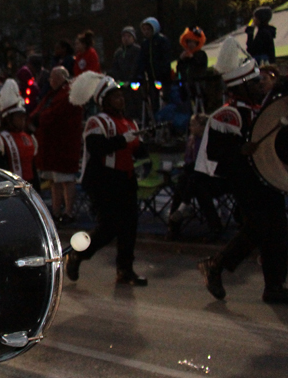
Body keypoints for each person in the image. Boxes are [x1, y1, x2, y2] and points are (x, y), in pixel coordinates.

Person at [197, 38, 288, 304]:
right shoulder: (226, 116)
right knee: (260, 227)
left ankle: (273, 286)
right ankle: (216, 265)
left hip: (268, 178)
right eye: (256, 83)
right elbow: (216, 153)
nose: (261, 87)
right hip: (245, 182)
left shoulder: (265, 110)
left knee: (278, 230)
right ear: (242, 85)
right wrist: (240, 150)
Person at [66, 72, 149, 286]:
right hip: (104, 181)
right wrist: (122, 140)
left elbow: (136, 150)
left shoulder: (129, 122)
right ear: (104, 101)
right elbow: (96, 148)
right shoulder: (97, 121)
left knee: (129, 226)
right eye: (115, 97)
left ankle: (125, 270)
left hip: (126, 179)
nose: (120, 100)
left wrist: (144, 148)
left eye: (121, 96)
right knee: (109, 227)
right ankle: (78, 254)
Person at [30, 67, 83, 224]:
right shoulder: (55, 93)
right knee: (55, 180)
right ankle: (56, 211)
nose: (50, 80)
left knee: (66, 179)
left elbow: (54, 114)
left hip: (63, 144)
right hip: (54, 144)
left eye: (53, 77)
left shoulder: (68, 94)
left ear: (61, 78)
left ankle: (68, 212)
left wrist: (38, 118)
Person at [166, 113, 225, 242]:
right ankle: (180, 218)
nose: (190, 127)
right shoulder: (192, 140)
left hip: (214, 178)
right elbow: (189, 160)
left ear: (203, 126)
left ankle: (179, 214)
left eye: (193, 125)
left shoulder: (211, 140)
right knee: (188, 182)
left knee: (193, 182)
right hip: (198, 178)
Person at [0, 79, 38, 183]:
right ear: (9, 119)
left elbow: (33, 171)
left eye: (23, 116)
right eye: (19, 117)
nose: (22, 120)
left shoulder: (29, 138)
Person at [137, 17, 172, 113]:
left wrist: (164, 71)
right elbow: (142, 61)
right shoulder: (145, 44)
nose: (146, 32)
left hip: (163, 78)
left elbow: (166, 58)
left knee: (166, 99)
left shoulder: (162, 41)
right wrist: (140, 74)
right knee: (153, 101)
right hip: (152, 78)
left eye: (148, 29)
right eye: (144, 30)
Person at [109, 26, 142, 119]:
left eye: (128, 36)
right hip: (122, 84)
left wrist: (131, 80)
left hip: (134, 83)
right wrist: (117, 79)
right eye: (124, 36)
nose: (126, 38)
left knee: (135, 103)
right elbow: (114, 67)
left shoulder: (137, 50)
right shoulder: (118, 52)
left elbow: (136, 66)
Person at [176, 27, 208, 113]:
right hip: (186, 87)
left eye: (193, 42)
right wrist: (181, 60)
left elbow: (200, 66)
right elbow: (179, 69)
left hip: (198, 87)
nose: (190, 44)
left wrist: (192, 58)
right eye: (188, 42)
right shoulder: (185, 56)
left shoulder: (201, 54)